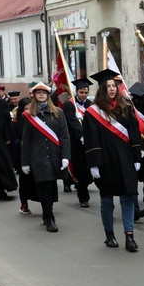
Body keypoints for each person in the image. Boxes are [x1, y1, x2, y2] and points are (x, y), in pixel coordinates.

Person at [84, 70, 142, 251]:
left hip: (125, 160)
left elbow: (134, 133)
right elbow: (91, 139)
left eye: (113, 86)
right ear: (102, 88)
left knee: (128, 198)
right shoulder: (93, 112)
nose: (111, 89)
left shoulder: (126, 107)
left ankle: (129, 236)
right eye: (108, 86)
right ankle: (109, 234)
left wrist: (136, 154)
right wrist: (94, 164)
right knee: (107, 200)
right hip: (106, 161)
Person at [20, 82, 70, 233]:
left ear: (48, 95)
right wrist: (25, 162)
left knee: (51, 185)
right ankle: (49, 217)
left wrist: (66, 156)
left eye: (44, 92)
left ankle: (47, 212)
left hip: (54, 155)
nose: (41, 94)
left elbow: (64, 136)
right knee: (43, 186)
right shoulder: (28, 115)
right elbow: (26, 140)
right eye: (38, 92)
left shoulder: (58, 113)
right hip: (38, 157)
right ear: (34, 95)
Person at [61, 77, 94, 207]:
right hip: (76, 141)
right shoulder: (69, 105)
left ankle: (85, 185)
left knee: (89, 167)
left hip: (90, 140)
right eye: (81, 92)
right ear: (76, 91)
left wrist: (85, 118)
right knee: (80, 167)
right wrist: (81, 134)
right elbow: (71, 121)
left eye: (86, 92)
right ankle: (83, 196)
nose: (83, 95)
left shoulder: (90, 105)